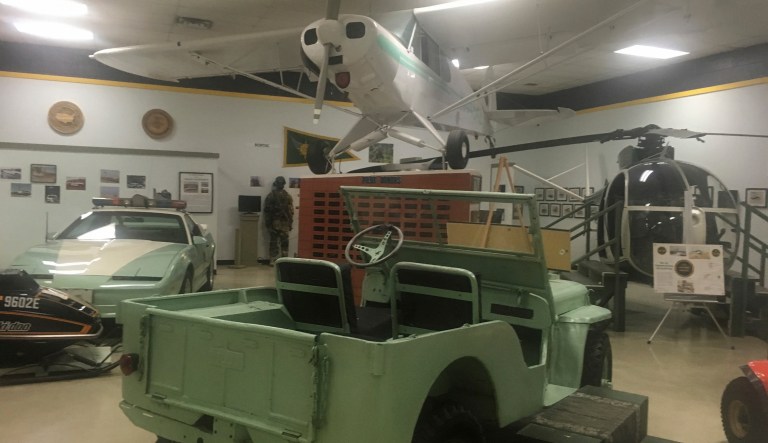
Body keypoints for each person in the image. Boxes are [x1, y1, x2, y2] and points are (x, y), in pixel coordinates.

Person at [263, 176, 294, 265]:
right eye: (279, 183)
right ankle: (273, 258)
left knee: (285, 241)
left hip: (284, 222)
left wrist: (290, 222)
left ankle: (284, 259)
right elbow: (267, 211)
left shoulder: (287, 196)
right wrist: (268, 224)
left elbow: (290, 210)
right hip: (274, 221)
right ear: (276, 184)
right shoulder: (271, 195)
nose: (280, 185)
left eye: (282, 183)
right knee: (273, 241)